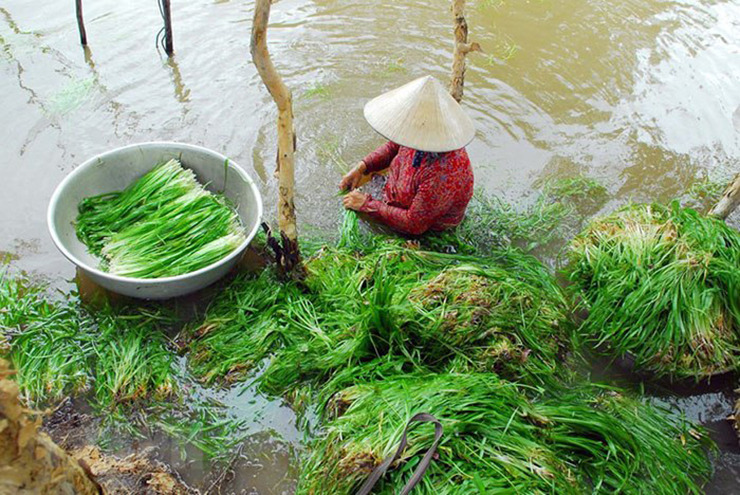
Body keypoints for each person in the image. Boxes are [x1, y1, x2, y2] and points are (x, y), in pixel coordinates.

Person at [340, 75, 476, 235]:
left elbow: (413, 224)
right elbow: (394, 147)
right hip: (395, 196)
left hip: (422, 229)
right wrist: (363, 167)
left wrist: (367, 205)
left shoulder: (442, 174)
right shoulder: (419, 135)